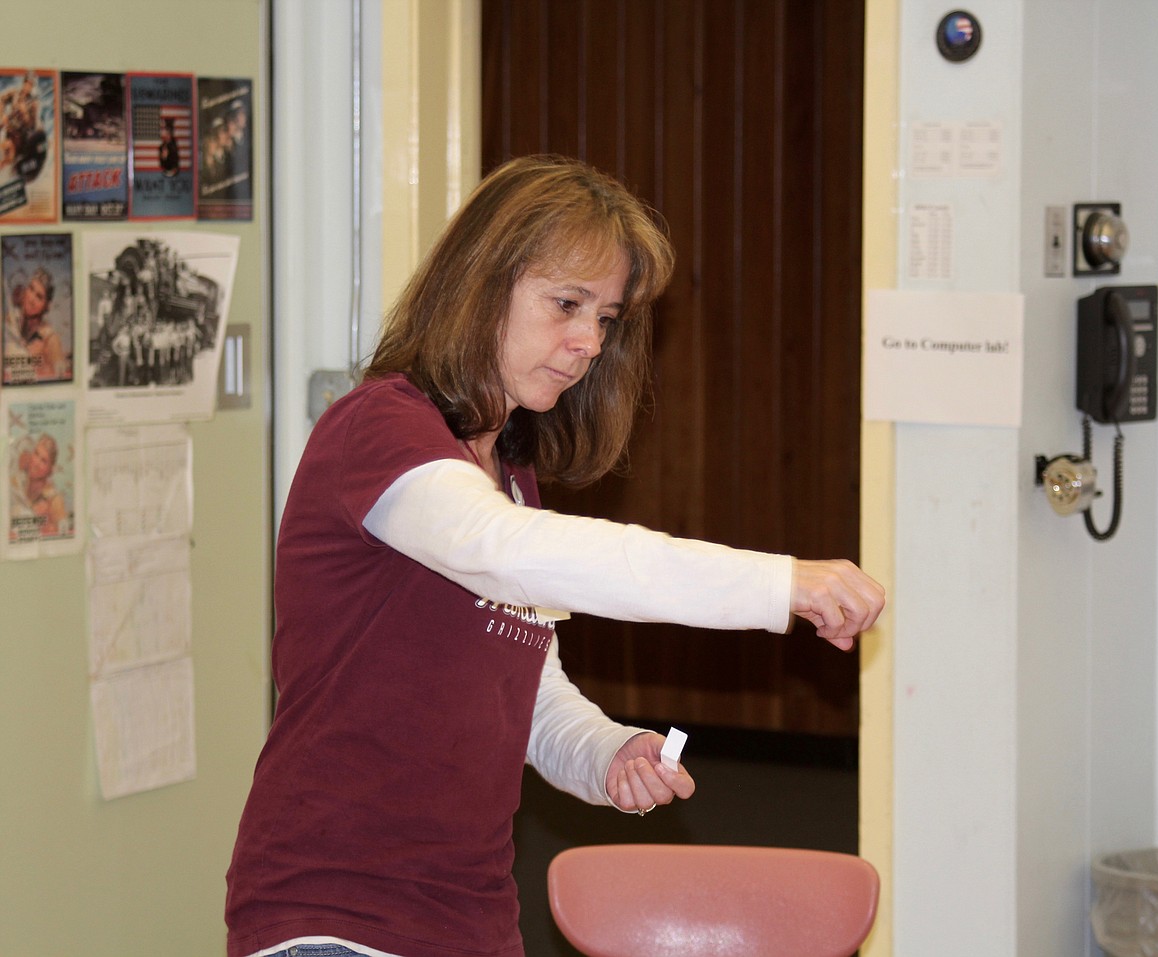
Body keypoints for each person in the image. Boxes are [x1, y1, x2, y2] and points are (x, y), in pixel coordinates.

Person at [224, 155, 885, 957]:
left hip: (469, 918)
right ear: (479, 283)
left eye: (605, 318)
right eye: (565, 304)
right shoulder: (379, 432)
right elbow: (509, 554)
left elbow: (526, 688)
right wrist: (783, 583)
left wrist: (605, 751)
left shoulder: (509, 473)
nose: (586, 344)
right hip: (332, 914)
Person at [4, 266, 68, 383]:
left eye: (39, 296)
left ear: (47, 306)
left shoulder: (50, 339)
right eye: (31, 289)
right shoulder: (9, 323)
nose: (31, 299)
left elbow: (61, 380)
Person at [10, 433, 68, 541]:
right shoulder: (17, 483)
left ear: (50, 470)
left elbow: (64, 535)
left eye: (43, 461)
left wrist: (49, 529)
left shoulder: (54, 500)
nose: (36, 462)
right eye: (36, 453)